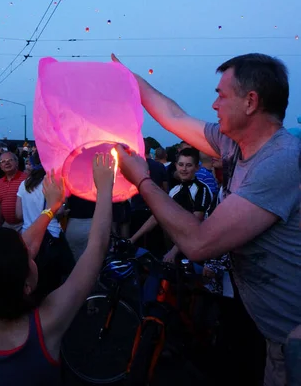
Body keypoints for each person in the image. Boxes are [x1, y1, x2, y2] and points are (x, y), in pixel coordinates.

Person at [113, 52, 301, 385]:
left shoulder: (280, 161)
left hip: (291, 341)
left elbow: (199, 243)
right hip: (260, 323)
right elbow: (173, 114)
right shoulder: (233, 144)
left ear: (251, 101)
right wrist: (127, 77)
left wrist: (142, 180)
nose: (214, 105)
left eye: (221, 95)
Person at [0, 153, 114, 386]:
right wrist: (105, 187)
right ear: (26, 286)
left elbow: (27, 245)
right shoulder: (46, 324)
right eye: (29, 260)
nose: (32, 254)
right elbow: (96, 248)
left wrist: (51, 208)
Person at [130, 147, 212, 263]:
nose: (184, 169)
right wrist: (132, 239)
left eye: (188, 165)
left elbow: (195, 223)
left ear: (197, 167)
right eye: (181, 164)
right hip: (175, 247)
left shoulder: (202, 189)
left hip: (196, 249)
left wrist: (173, 251)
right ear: (176, 165)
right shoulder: (175, 190)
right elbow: (157, 216)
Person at [16, 156, 74, 300]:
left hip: (28, 237)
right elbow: (58, 211)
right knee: (55, 278)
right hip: (50, 235)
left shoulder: (24, 184)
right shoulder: (54, 184)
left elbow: (18, 214)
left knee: (34, 279)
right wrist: (64, 209)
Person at [0, 152, 26, 231]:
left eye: (10, 160)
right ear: (0, 166)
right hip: (7, 225)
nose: (7, 163)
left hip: (25, 224)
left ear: (17, 162)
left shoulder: (26, 179)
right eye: (3, 161)